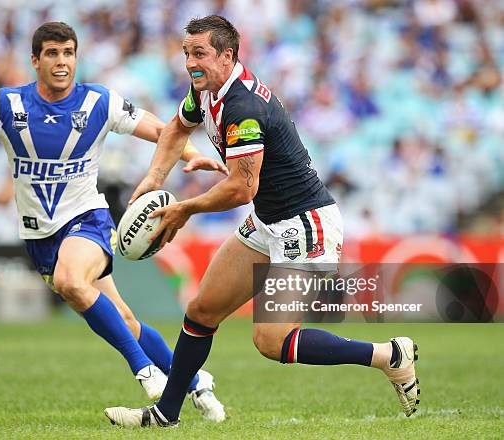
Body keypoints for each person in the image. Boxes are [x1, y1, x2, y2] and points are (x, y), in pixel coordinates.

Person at [104, 15, 420, 428]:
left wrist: (184, 208)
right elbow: (177, 129)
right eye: (186, 53)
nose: (190, 63)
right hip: (268, 220)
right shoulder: (207, 88)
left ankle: (388, 356)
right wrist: (154, 178)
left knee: (271, 340)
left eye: (199, 53)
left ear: (227, 55)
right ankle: (166, 414)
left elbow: (241, 189)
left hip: (305, 225)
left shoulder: (243, 106)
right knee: (201, 312)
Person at [0, 21, 227, 422]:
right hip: (39, 237)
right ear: (35, 60)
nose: (61, 62)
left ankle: (147, 374)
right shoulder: (6, 106)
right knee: (124, 317)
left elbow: (161, 129)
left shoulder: (98, 103)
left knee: (72, 282)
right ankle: (196, 383)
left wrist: (191, 151)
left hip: (86, 218)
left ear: (77, 57)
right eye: (52, 54)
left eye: (68, 53)